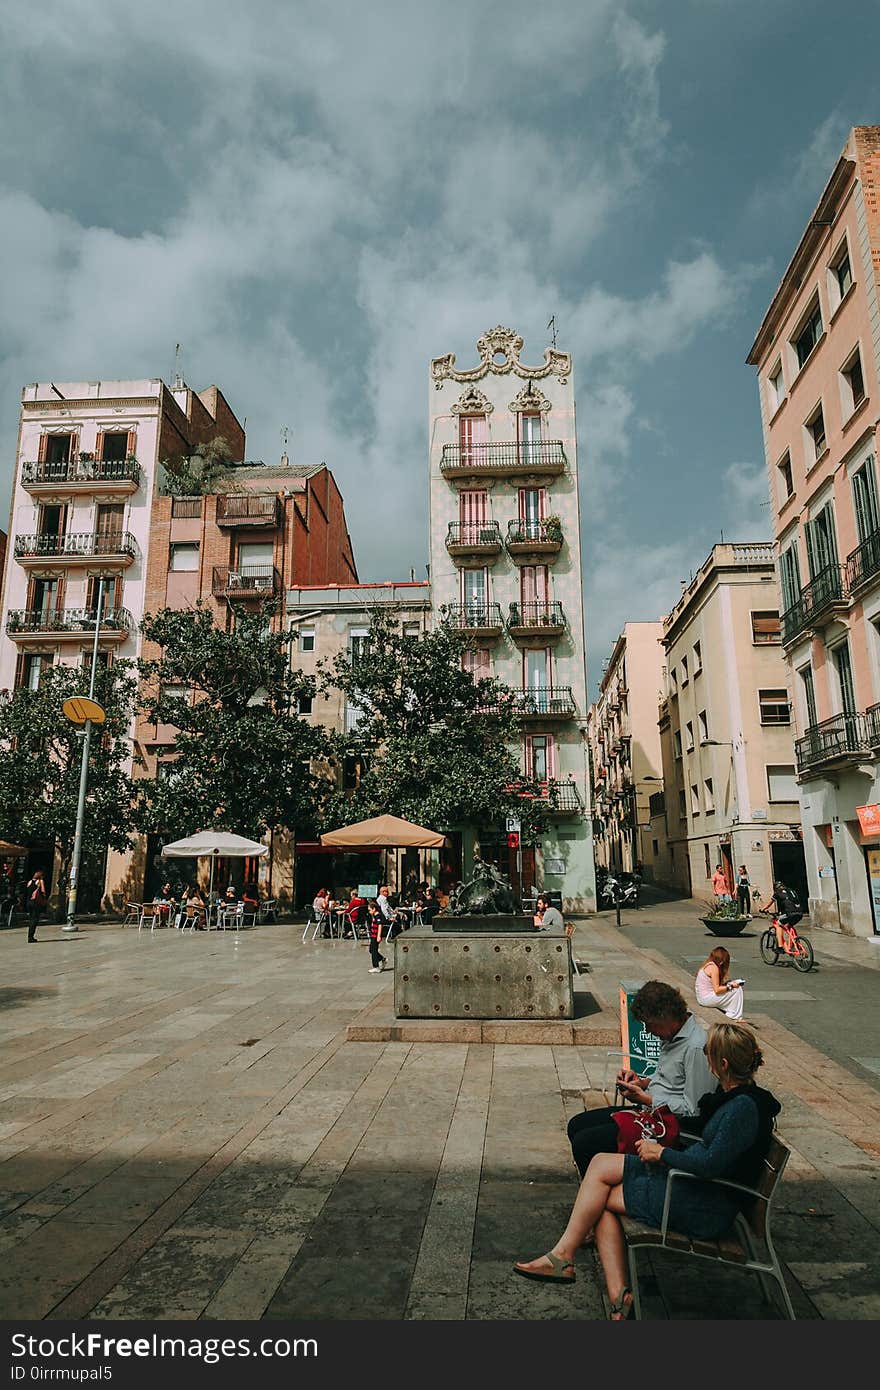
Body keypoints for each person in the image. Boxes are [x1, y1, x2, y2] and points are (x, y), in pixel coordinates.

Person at [514, 1023, 781, 1318]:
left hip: (704, 1204)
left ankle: (589, 1277)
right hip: (695, 1185)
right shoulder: (739, 1096)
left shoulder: (740, 1108)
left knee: (599, 1200)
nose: (706, 1060)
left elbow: (709, 1164)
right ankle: (577, 1268)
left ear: (723, 1064)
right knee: (600, 1165)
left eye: (709, 1055)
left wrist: (662, 1153)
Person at [567, 981, 713, 1176]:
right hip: (648, 1113)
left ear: (665, 1017)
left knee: (586, 1142)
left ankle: (606, 1190)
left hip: (667, 1127)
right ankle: (597, 1188)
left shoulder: (696, 1047)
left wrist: (646, 1099)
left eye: (649, 1024)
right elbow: (668, 1077)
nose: (647, 1031)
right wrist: (641, 1082)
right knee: (576, 1124)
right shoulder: (671, 1036)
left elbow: (694, 1109)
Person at [695, 946, 744, 1021]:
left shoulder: (708, 964)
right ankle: (734, 1016)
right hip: (706, 999)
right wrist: (730, 986)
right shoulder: (714, 968)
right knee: (737, 989)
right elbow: (717, 990)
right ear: (721, 961)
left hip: (702, 997)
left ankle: (732, 1012)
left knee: (732, 986)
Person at [767, 879, 802, 950]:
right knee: (789, 926)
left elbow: (769, 904)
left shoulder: (777, 892)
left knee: (778, 925)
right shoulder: (791, 891)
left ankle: (780, 947)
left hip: (790, 913)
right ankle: (796, 943)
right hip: (800, 913)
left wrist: (763, 909)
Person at [25, 869, 48, 943]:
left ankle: (30, 935)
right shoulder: (40, 882)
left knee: (31, 919)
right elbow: (43, 891)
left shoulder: (29, 882)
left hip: (29, 902)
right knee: (34, 919)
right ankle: (31, 937)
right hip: (36, 903)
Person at [365, 900, 386, 973]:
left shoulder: (378, 916)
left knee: (374, 951)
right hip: (373, 935)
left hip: (375, 935)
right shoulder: (374, 916)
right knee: (371, 950)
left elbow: (380, 925)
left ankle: (376, 966)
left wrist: (379, 936)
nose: (369, 912)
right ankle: (382, 959)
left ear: (374, 909)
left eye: (370, 910)